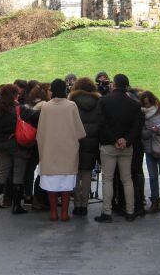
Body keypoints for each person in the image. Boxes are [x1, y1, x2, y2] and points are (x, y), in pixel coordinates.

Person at [94, 74, 143, 223]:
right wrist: (126, 140)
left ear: (114, 85)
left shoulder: (104, 100)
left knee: (107, 179)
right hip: (126, 147)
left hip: (109, 145)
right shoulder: (134, 104)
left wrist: (114, 139)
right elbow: (137, 126)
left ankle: (107, 212)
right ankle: (130, 211)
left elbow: (101, 123)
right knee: (127, 179)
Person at [37, 79, 87, 221]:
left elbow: (40, 132)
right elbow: (80, 132)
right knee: (66, 183)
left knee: (51, 183)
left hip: (50, 150)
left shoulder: (46, 107)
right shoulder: (71, 106)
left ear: (52, 90)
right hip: (67, 151)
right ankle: (64, 213)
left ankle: (53, 213)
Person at [0, 84, 40, 214]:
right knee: (18, 174)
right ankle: (17, 206)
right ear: (14, 95)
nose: (19, 96)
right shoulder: (18, 109)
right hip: (18, 146)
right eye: (17, 94)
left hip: (3, 146)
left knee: (2, 174)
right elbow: (36, 116)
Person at [68, 77, 101, 216]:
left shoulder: (71, 101)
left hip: (75, 141)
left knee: (75, 173)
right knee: (87, 173)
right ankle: (84, 205)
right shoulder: (99, 101)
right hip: (92, 141)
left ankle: (76, 204)